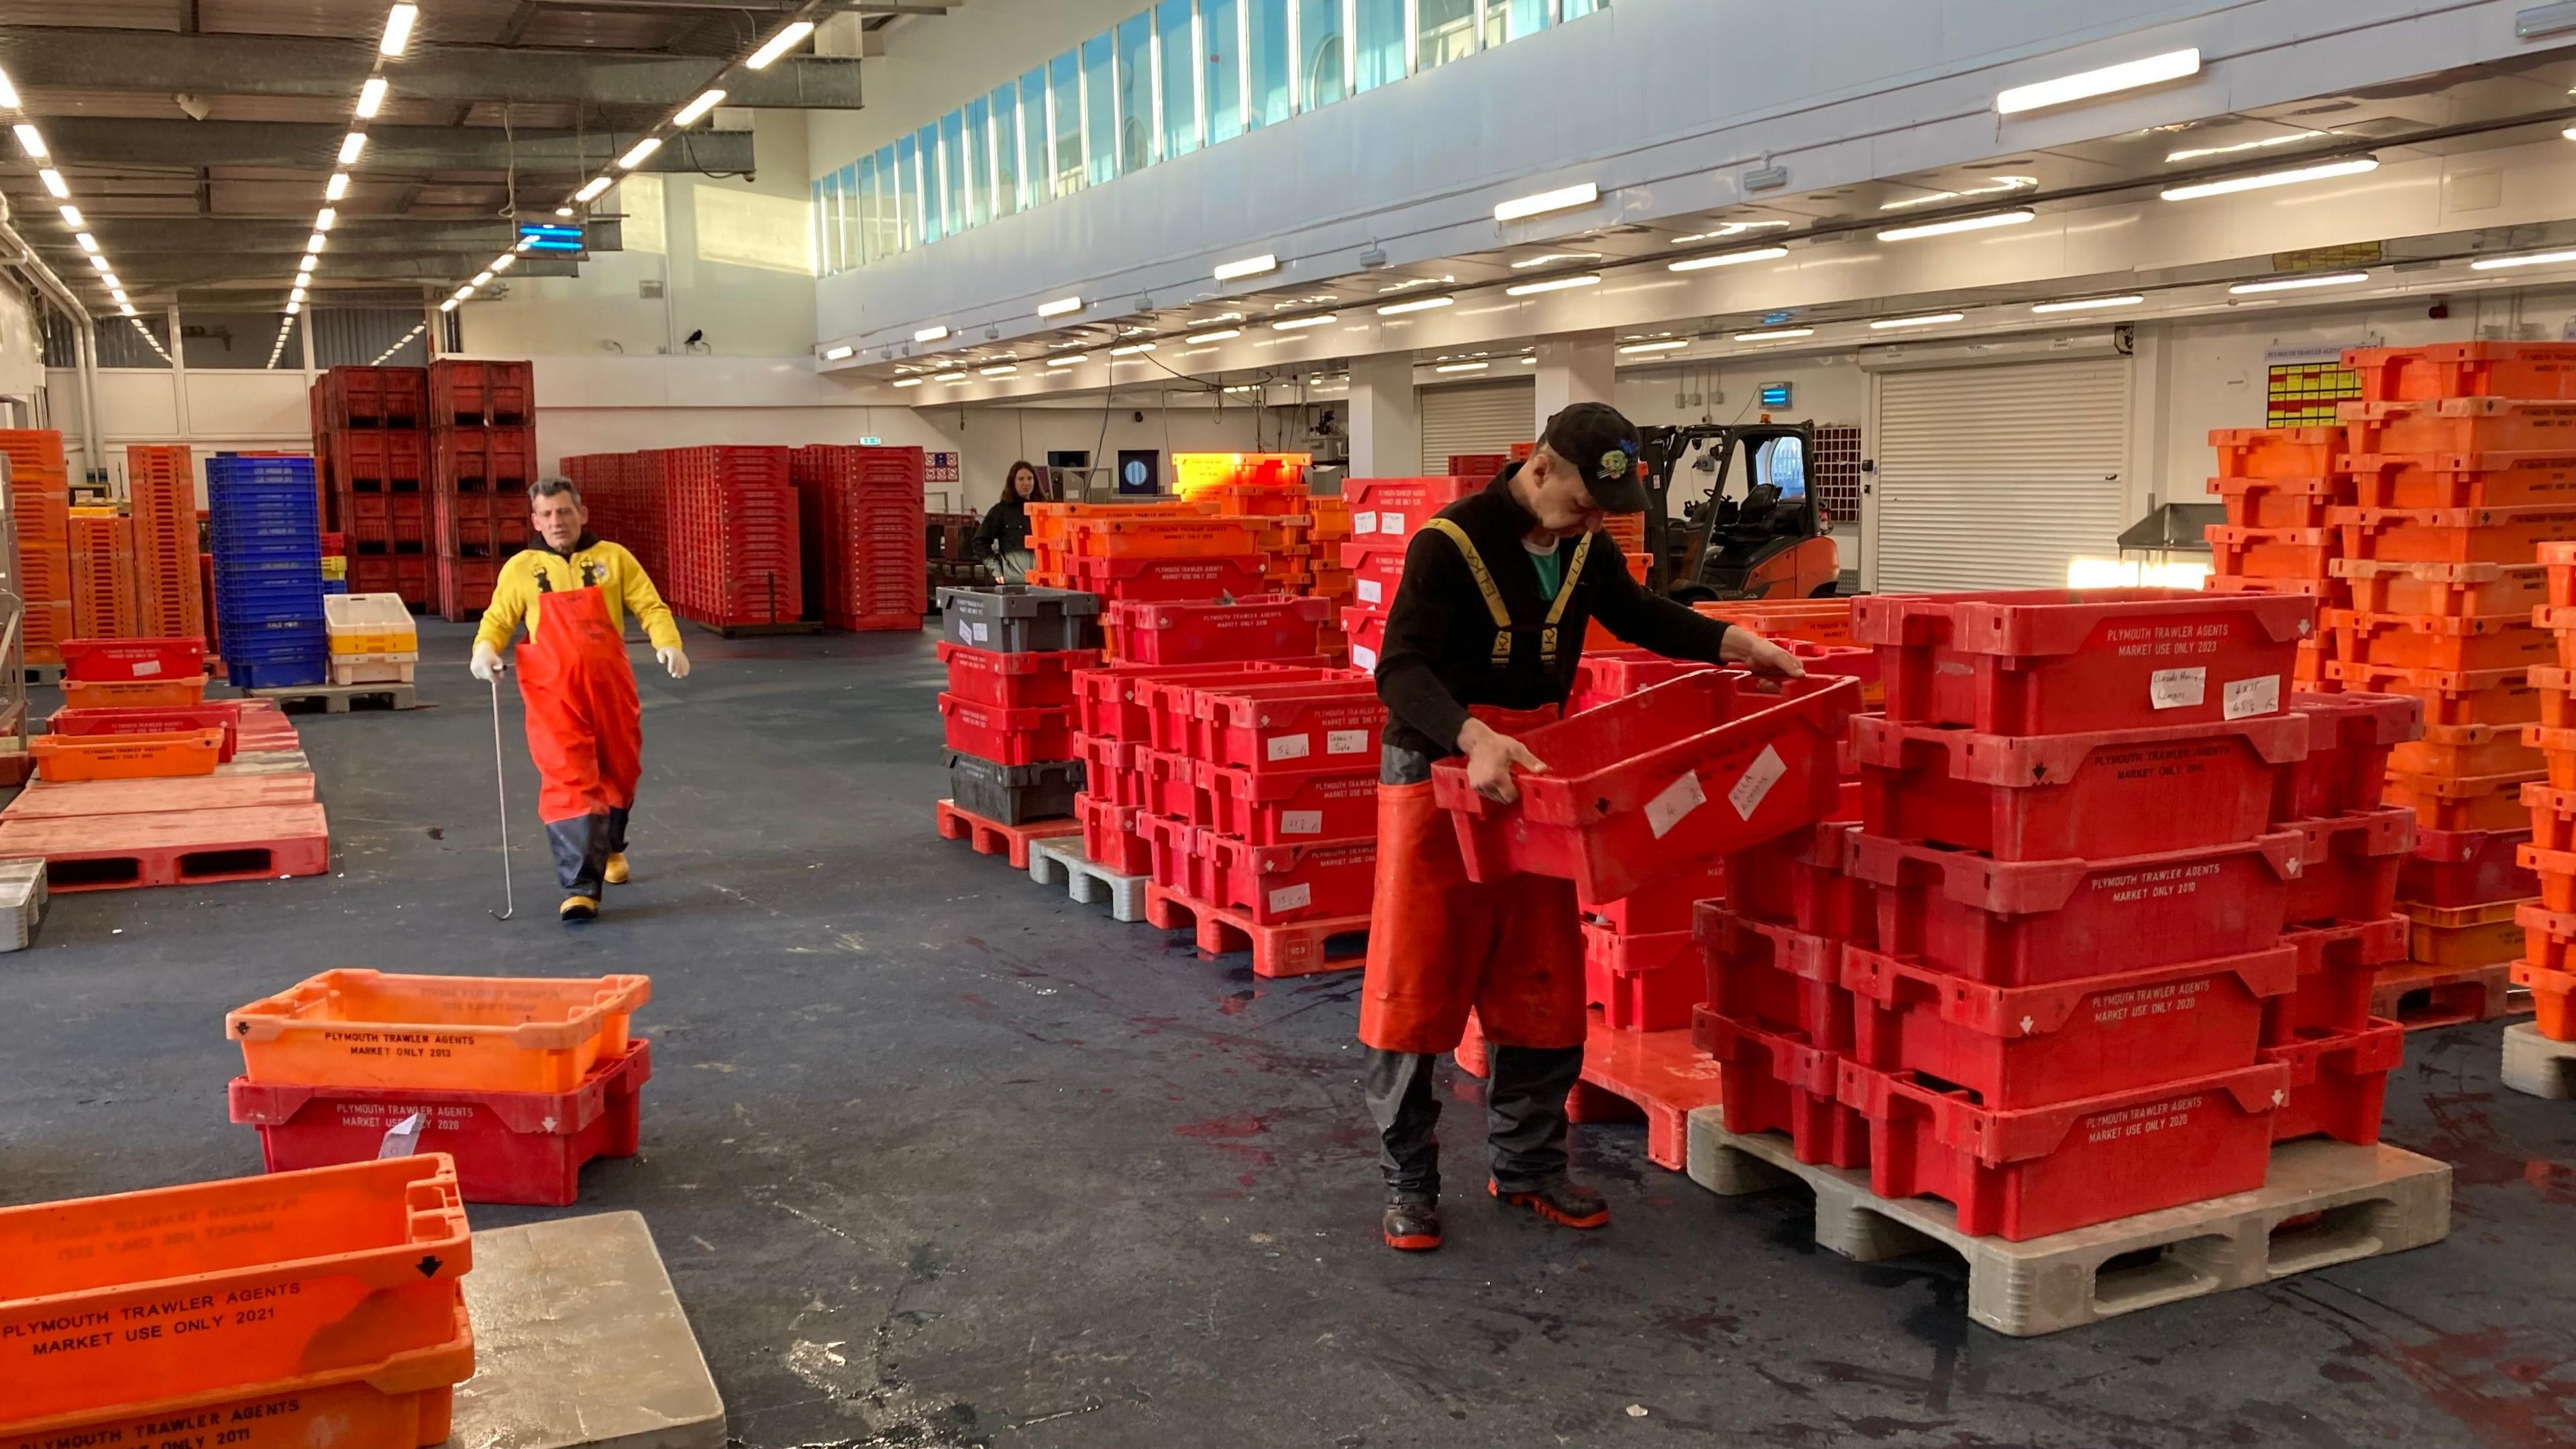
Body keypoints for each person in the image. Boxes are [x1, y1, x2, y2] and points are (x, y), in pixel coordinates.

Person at [1362, 402, 1807, 1252]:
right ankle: (1411, 1183)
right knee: (1416, 980)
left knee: (1542, 975)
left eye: (1605, 515)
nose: (1592, 524)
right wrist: (1471, 734)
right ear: (1539, 471)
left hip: (1535, 779)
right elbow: (1401, 670)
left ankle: (1527, 1167)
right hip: (1436, 776)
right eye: (1582, 504)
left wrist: (1735, 643)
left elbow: (1642, 616)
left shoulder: (1584, 551)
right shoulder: (1446, 546)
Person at [470, 477, 690, 924]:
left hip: (611, 687)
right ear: (535, 521)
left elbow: (650, 606)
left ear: (582, 514)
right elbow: (498, 618)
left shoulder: (614, 558)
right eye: (547, 514)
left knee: (620, 773)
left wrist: (668, 642)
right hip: (553, 694)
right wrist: (483, 650)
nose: (557, 522)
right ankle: (579, 888)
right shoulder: (522, 568)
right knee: (569, 781)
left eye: (564, 512)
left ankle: (609, 846)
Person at [970, 460, 1047, 583]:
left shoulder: (1044, 510)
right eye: (1021, 479)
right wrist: (996, 569)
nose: (1026, 483)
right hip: (1015, 581)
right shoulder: (1001, 511)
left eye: (1030, 478)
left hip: (1043, 580)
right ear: (1013, 483)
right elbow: (979, 542)